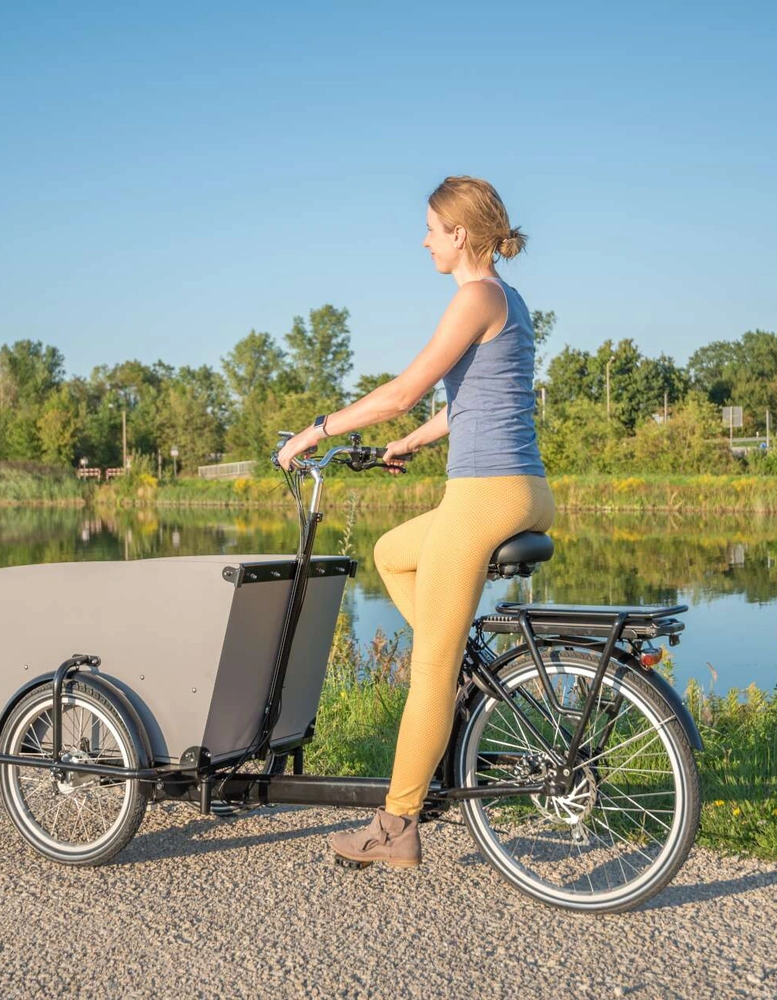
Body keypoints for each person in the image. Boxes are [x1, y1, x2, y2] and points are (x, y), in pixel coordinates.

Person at [277, 175, 555, 868]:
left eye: (432, 228)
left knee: (426, 670)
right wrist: (410, 446)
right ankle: (459, 659)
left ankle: (395, 826)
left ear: (461, 234)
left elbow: (404, 392)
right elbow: (466, 402)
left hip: (485, 495)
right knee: (393, 552)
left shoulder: (476, 296)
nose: (424, 239)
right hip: (523, 488)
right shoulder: (507, 300)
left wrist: (317, 430)